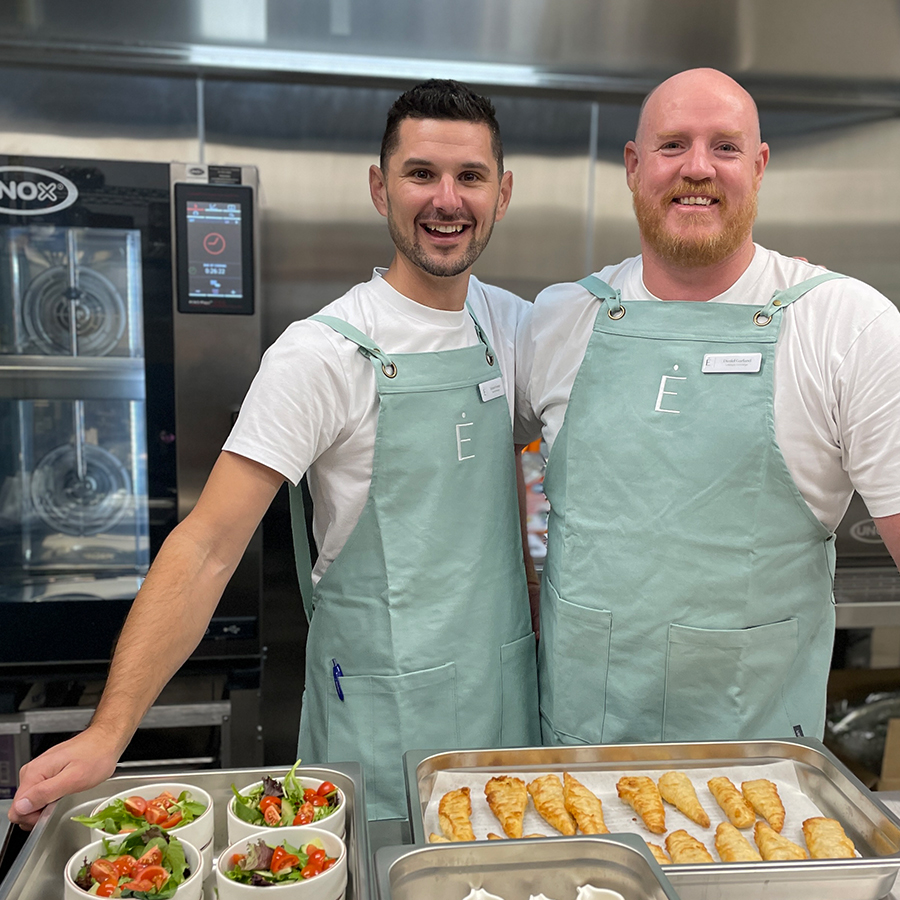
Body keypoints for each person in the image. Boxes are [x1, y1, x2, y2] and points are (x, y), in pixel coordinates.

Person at [516, 68, 900, 875]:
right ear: (631, 164)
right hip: (575, 776)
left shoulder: (843, 324)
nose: (697, 167)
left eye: (724, 147)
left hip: (759, 792)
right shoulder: (558, 319)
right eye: (672, 146)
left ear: (759, 166)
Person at [10, 79, 539, 825]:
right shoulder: (320, 354)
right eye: (421, 173)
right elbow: (207, 548)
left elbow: (522, 474)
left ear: (503, 193)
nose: (446, 199)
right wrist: (109, 730)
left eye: (470, 177)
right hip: (385, 722)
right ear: (379, 187)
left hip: (506, 709)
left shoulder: (513, 325)